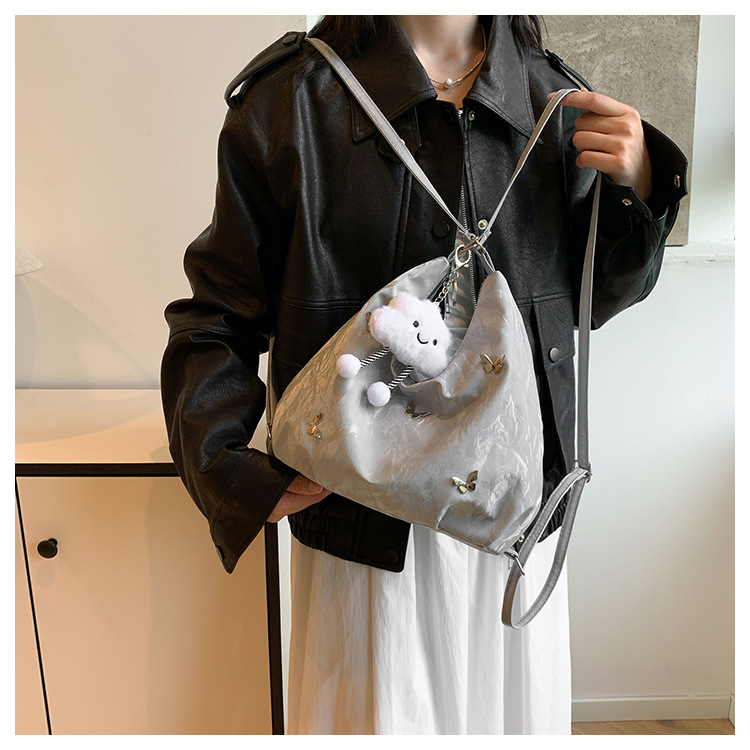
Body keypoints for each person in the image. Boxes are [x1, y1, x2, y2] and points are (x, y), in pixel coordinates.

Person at [161, 15, 687, 734]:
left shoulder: (557, 100)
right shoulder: (291, 104)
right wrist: (228, 469)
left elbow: (591, 302)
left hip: (512, 513)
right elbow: (219, 310)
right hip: (363, 525)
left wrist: (638, 189)